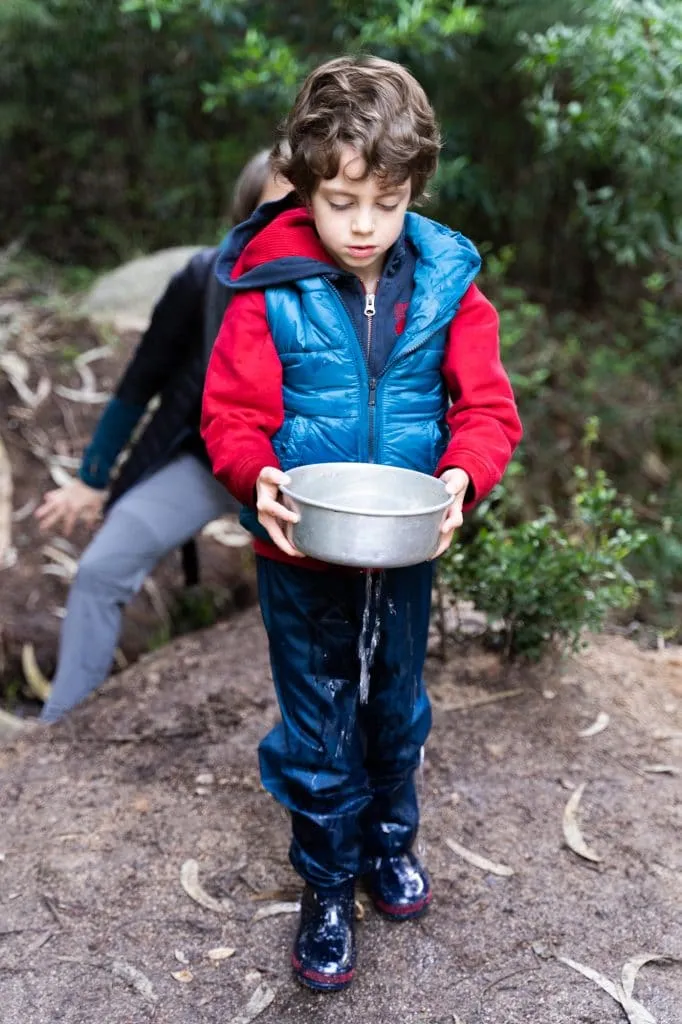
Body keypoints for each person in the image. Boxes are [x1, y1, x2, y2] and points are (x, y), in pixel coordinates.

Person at [201, 55, 523, 992]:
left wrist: (463, 478)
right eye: (341, 201)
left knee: (397, 705)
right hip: (301, 548)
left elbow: (489, 411)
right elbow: (229, 415)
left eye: (385, 200)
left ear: (414, 185)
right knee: (319, 723)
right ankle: (328, 886)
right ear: (304, 184)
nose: (364, 225)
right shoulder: (272, 284)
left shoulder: (449, 282)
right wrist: (255, 475)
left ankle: (389, 845)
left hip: (406, 546)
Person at [34, 150, 292, 723]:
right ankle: (58, 727)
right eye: (274, 209)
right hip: (207, 459)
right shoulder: (206, 278)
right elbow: (139, 383)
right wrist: (92, 479)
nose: (287, 226)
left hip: (301, 476)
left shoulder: (349, 291)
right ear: (245, 214)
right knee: (102, 569)